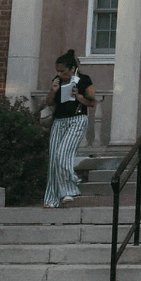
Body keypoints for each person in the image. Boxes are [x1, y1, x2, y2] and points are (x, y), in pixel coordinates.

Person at [43, 49, 96, 208]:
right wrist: (53, 90)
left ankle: (70, 187)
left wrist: (79, 96)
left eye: (63, 71)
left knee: (62, 154)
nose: (59, 74)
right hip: (59, 121)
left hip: (77, 120)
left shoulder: (84, 80)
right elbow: (49, 103)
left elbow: (92, 102)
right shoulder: (57, 81)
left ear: (72, 69)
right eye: (57, 71)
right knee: (54, 160)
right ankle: (51, 199)